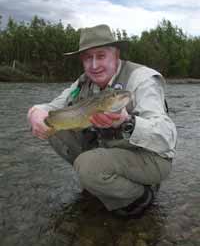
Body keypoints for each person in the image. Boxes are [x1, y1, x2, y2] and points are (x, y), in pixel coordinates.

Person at [27, 24, 177, 218]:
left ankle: (138, 195)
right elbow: (53, 107)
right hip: (112, 151)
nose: (94, 65)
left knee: (88, 166)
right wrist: (35, 113)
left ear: (116, 55)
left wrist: (127, 122)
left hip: (151, 157)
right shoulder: (84, 81)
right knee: (55, 125)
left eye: (101, 55)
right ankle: (102, 181)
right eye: (88, 58)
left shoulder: (143, 79)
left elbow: (168, 138)